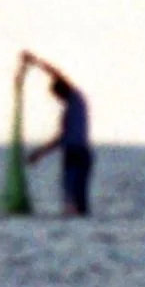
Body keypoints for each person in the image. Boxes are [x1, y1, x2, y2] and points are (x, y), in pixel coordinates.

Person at [21, 51, 93, 216]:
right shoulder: (69, 110)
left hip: (79, 154)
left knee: (76, 197)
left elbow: (56, 73)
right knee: (71, 197)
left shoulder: (76, 98)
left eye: (57, 96)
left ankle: (79, 219)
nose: (58, 100)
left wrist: (35, 61)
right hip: (72, 155)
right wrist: (39, 154)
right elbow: (61, 138)